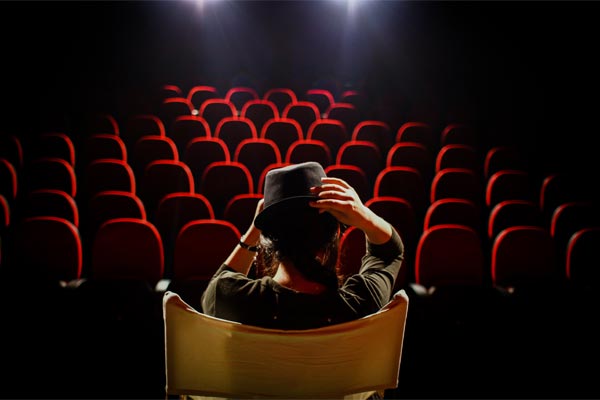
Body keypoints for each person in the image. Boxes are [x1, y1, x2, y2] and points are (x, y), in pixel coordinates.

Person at [201, 161, 404, 329]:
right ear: (336, 233)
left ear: (267, 239)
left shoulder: (231, 300)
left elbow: (215, 287)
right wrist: (364, 215)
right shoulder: (361, 304)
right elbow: (390, 253)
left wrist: (255, 229)